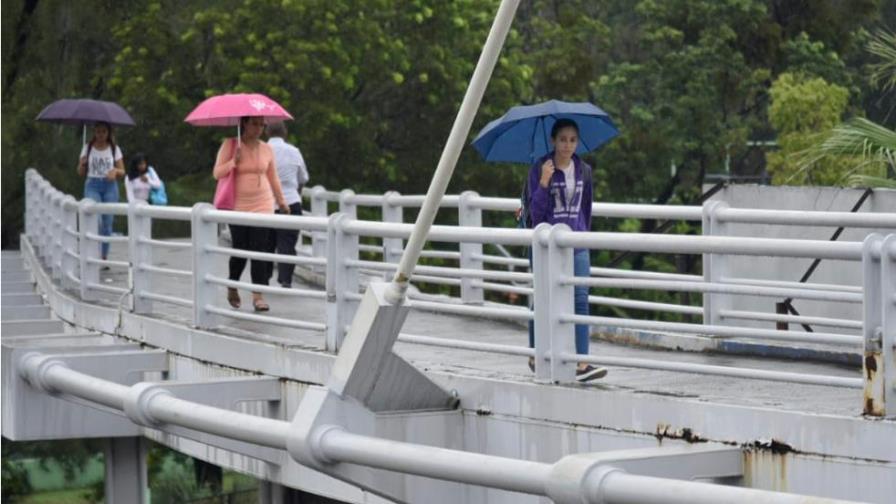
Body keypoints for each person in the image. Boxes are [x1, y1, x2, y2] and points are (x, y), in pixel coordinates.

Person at [525, 118, 607, 382]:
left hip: (577, 241)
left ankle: (581, 363)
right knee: (544, 297)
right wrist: (544, 183)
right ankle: (536, 355)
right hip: (549, 242)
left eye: (572, 140)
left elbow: (587, 208)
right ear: (553, 140)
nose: (567, 145)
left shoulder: (584, 170)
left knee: (580, 298)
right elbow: (535, 215)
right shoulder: (540, 168)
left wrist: (583, 234)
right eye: (562, 139)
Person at [213, 116, 290, 312]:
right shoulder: (231, 144)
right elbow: (217, 173)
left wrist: (281, 201)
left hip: (263, 204)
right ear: (244, 124)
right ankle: (233, 284)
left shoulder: (267, 149)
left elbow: (273, 177)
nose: (258, 128)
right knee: (241, 248)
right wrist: (233, 162)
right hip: (238, 205)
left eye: (261, 125)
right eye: (254, 124)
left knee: (259, 250)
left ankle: (257, 295)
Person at [266, 121, 309, 288]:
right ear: (285, 132)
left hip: (266, 204)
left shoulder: (261, 150)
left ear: (266, 133)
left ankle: (264, 276)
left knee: (265, 243)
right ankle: (285, 279)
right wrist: (296, 192)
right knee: (287, 244)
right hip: (291, 202)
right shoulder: (294, 151)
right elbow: (303, 178)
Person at [78, 121, 125, 264]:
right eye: (98, 132)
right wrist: (83, 164)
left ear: (108, 133)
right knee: (95, 218)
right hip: (93, 184)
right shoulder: (88, 148)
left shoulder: (114, 148)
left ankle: (103, 256)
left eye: (104, 132)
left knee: (107, 223)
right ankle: (92, 251)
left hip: (110, 185)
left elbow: (123, 171)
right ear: (94, 132)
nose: (100, 135)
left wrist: (115, 171)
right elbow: (80, 173)